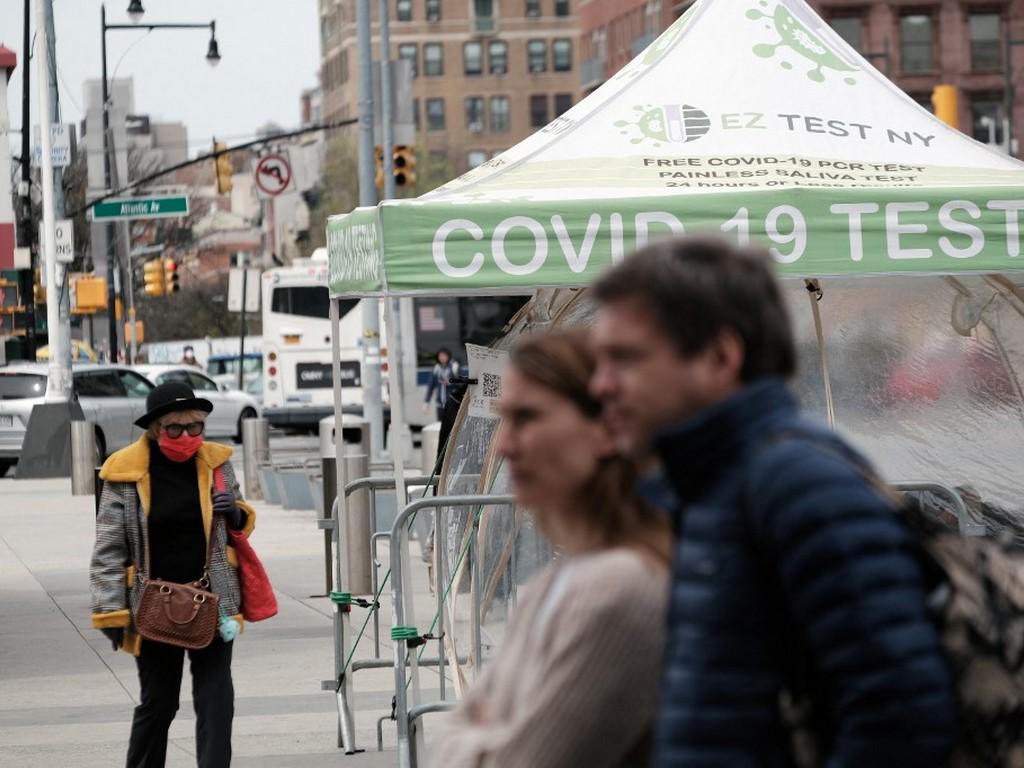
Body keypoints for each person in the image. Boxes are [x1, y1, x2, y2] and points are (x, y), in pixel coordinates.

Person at [589, 236, 957, 768]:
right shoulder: (709, 486)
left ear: (720, 356)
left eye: (624, 358)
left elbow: (901, 717)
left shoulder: (798, 485)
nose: (600, 385)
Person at [433, 331, 671, 768]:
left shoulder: (621, 590)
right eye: (505, 419)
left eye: (528, 418)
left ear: (606, 429)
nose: (504, 444)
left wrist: (486, 730)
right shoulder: (554, 584)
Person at [90, 381, 256, 768]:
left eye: (194, 427)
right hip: (152, 608)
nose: (186, 436)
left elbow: (239, 524)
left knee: (217, 704)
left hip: (212, 602)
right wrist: (111, 611)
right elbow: (108, 549)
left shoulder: (217, 464)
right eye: (175, 429)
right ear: (155, 429)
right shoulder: (125, 474)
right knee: (159, 704)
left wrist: (234, 511)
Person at [423, 347, 458, 422]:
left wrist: (450, 382)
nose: (442, 358)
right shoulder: (436, 368)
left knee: (452, 426)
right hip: (440, 405)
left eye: (444, 356)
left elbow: (462, 382)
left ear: (448, 356)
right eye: (440, 356)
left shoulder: (454, 367)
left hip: (452, 404)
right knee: (441, 426)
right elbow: (431, 386)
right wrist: (426, 401)